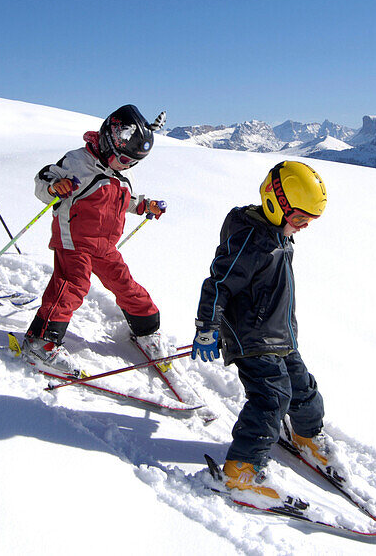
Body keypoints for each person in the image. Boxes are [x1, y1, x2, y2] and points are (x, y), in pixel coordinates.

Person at [192, 160, 338, 499]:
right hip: (251, 338)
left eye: (310, 221)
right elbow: (219, 283)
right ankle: (240, 470)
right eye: (300, 219)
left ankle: (306, 435)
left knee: (303, 389)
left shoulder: (277, 231)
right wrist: (207, 326)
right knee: (272, 398)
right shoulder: (251, 240)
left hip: (280, 334)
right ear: (276, 203)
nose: (303, 227)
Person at [19, 104, 169, 377]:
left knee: (125, 284)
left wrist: (146, 205)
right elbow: (43, 181)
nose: (129, 165)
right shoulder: (77, 162)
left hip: (105, 245)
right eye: (125, 160)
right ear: (110, 142)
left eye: (134, 162)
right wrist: (55, 187)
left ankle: (147, 329)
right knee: (72, 285)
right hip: (73, 239)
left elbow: (127, 201)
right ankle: (41, 341)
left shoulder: (122, 172)